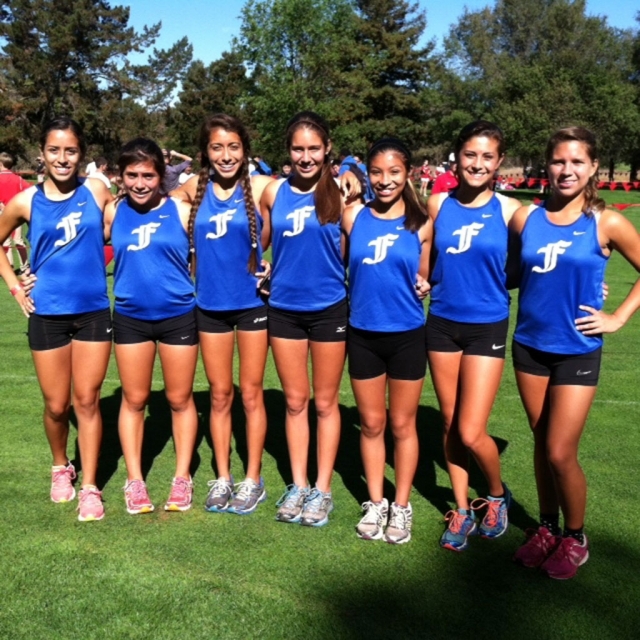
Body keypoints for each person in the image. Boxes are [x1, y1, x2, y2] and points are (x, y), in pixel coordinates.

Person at [508, 127, 640, 579]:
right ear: (546, 165)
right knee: (541, 444)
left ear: (593, 168)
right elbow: (508, 272)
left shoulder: (606, 222)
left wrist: (618, 317)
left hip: (577, 349)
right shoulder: (525, 218)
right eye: (559, 161)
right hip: (528, 345)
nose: (566, 170)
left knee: (561, 451)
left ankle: (575, 536)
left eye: (577, 162)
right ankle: (546, 528)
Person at [0, 116, 113, 521]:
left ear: (81, 154)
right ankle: (60, 465)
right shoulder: (25, 201)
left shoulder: (97, 189)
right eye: (54, 150)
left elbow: (127, 225)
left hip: (94, 313)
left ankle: (89, 486)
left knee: (87, 401)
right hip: (47, 313)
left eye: (70, 151)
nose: (62, 159)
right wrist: (16, 286)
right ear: (42, 154)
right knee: (56, 405)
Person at [260, 111, 358, 527]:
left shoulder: (344, 193)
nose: (305, 157)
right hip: (283, 309)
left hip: (329, 309)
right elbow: (257, 243)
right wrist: (259, 269)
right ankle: (298, 484)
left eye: (313, 149)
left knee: (324, 402)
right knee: (295, 401)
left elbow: (367, 247)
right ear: (288, 151)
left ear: (327, 149)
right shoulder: (272, 193)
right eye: (298, 149)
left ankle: (322, 489)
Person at [426, 121, 521, 551]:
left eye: (487, 156)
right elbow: (424, 261)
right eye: (470, 154)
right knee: (449, 423)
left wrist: (593, 283)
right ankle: (463, 510)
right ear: (457, 157)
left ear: (499, 162)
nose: (477, 164)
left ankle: (497, 495)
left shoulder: (512, 211)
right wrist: (419, 279)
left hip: (487, 326)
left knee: (470, 430)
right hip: (442, 323)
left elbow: (542, 258)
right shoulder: (437, 204)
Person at [173, 114, 272, 515]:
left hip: (252, 306)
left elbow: (306, 215)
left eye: (233, 147)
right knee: (219, 395)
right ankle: (223, 476)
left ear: (245, 150)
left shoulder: (264, 186)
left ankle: (252, 479)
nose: (226, 155)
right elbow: (144, 211)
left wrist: (275, 263)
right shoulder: (194, 188)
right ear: (205, 152)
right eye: (217, 147)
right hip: (209, 307)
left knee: (250, 394)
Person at [103, 138, 198, 515]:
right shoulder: (112, 211)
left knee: (179, 399)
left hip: (178, 315)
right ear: (121, 176)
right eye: (132, 175)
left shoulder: (180, 207)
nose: (140, 183)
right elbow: (73, 245)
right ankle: (135, 479)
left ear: (162, 176)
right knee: (135, 399)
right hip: (130, 317)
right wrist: (33, 275)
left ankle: (182, 477)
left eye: (148, 175)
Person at [343, 138, 431, 545]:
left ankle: (402, 504)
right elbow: (337, 263)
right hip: (362, 333)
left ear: (407, 173)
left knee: (401, 423)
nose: (384, 180)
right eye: (376, 172)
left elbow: (428, 274)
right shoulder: (353, 216)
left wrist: (425, 282)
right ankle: (376, 502)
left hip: (408, 336)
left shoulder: (422, 221)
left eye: (393, 172)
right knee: (372, 423)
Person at [0, 152, 31, 271]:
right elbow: (29, 191)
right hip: (18, 212)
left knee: (5, 241)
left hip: (3, 213)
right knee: (18, 240)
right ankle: (25, 266)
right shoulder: (18, 179)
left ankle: (9, 266)